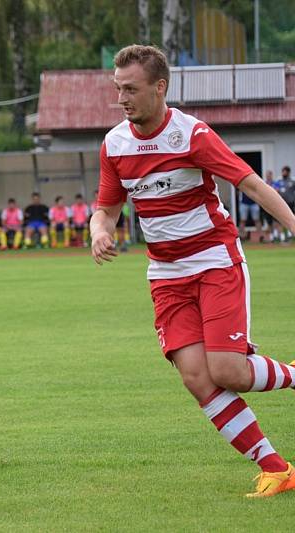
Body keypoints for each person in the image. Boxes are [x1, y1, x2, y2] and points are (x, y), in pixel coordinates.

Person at [91, 44, 295, 498]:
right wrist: (97, 231)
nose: (122, 99)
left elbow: (253, 185)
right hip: (166, 274)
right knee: (197, 378)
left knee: (229, 371)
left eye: (131, 89)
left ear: (160, 87)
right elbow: (105, 209)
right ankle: (277, 468)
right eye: (117, 89)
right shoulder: (114, 145)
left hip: (215, 262)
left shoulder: (193, 135)